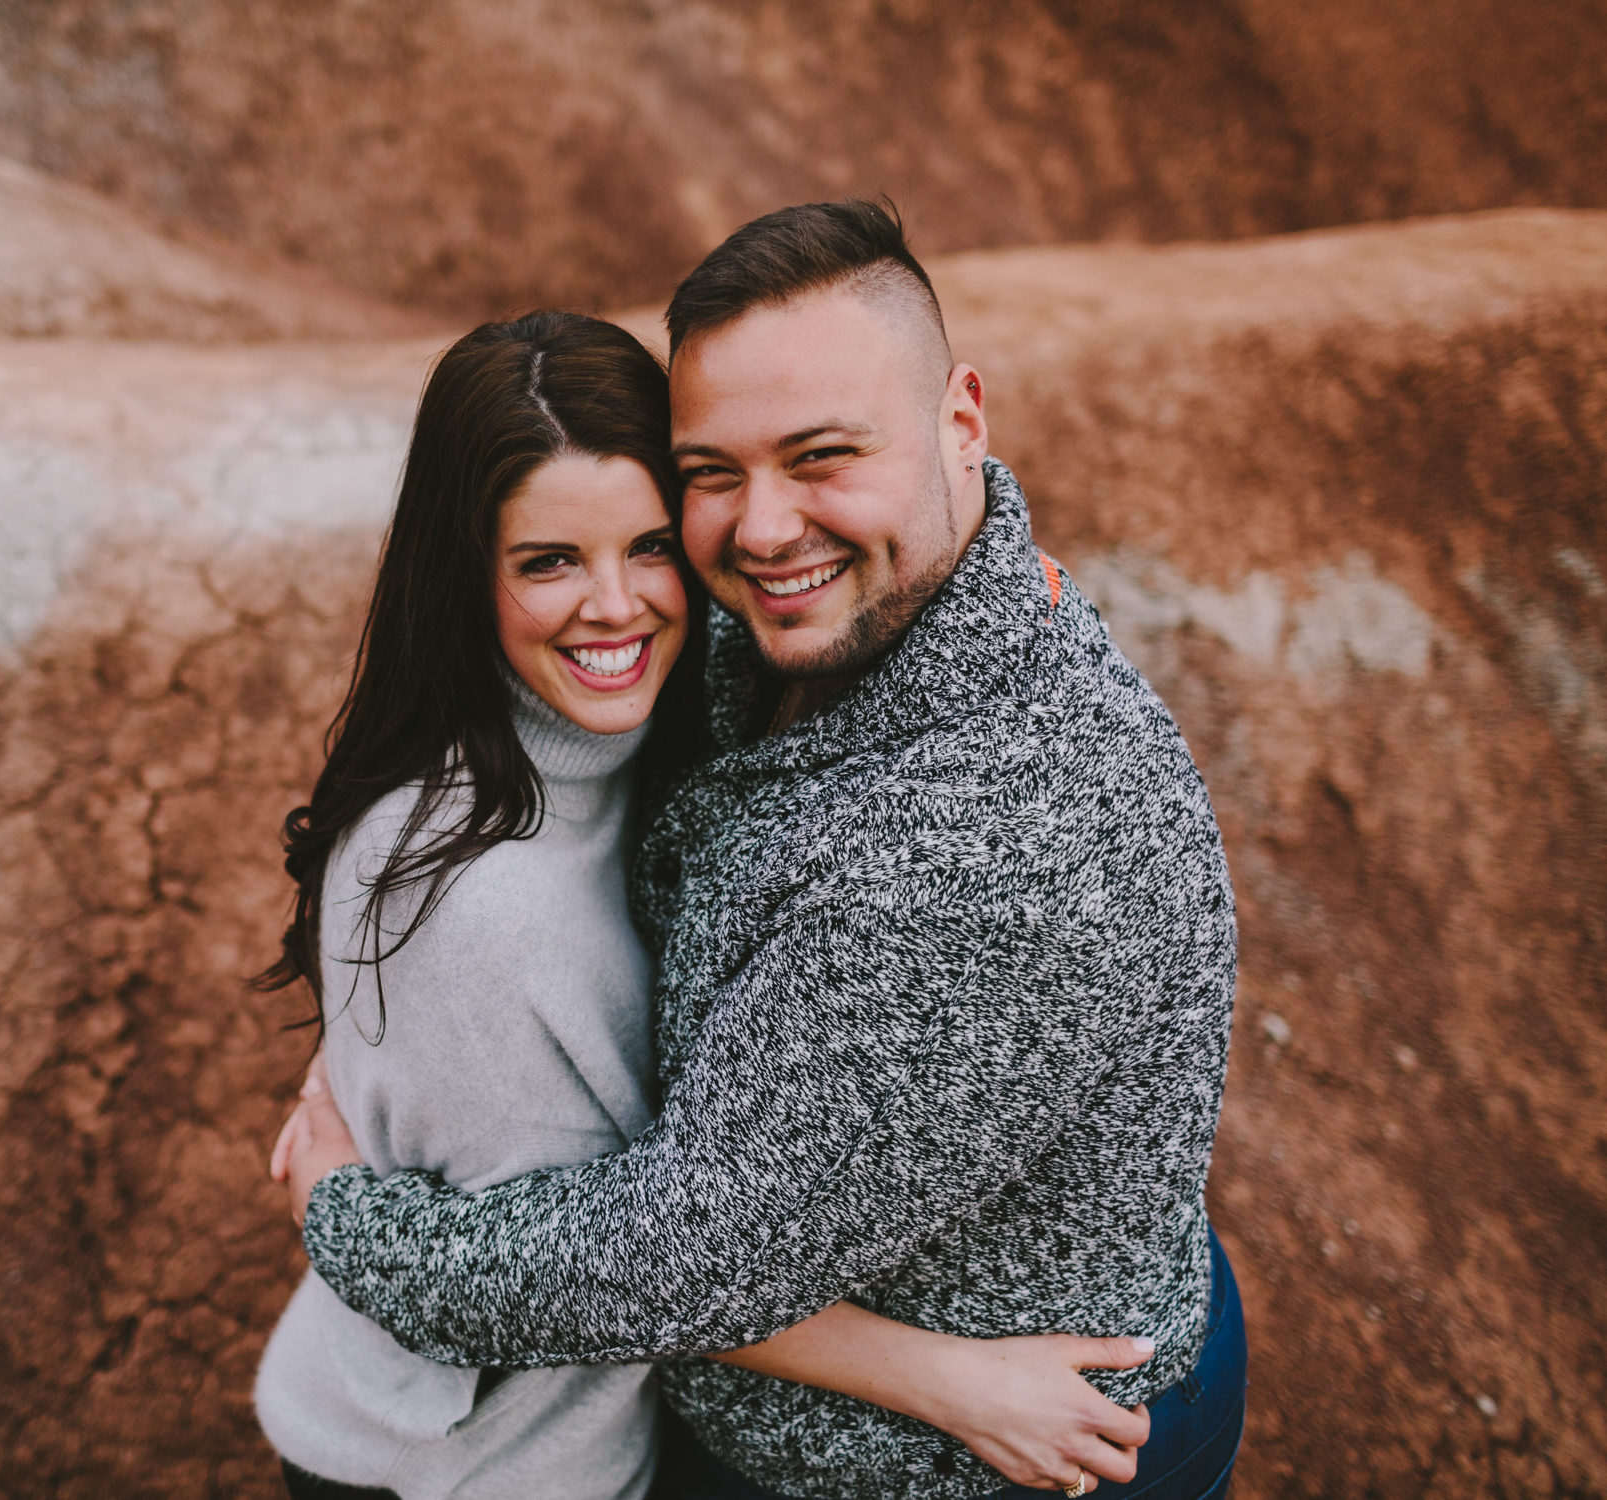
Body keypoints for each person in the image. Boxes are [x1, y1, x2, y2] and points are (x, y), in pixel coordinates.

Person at [276, 202, 1247, 1500]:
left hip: (944, 1470)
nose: (764, 528)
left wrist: (350, 1223)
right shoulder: (832, 620)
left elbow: (685, 1256)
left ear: (961, 422)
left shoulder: (986, 849)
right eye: (711, 473)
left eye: (820, 456)